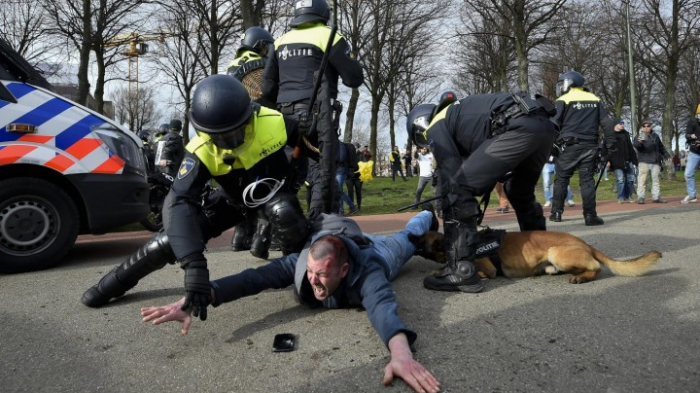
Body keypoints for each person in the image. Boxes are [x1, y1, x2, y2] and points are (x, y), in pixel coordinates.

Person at [81, 76, 314, 320]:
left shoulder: (275, 122)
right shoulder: (199, 150)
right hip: (233, 202)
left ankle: (296, 271)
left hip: (274, 195)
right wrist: (193, 266)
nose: (229, 143)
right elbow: (178, 203)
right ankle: (110, 285)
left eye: (236, 132)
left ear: (251, 115)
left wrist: (312, 133)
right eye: (219, 137)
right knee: (167, 242)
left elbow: (319, 154)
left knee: (284, 212)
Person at [140, 210, 442, 393]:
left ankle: (428, 215)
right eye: (311, 272)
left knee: (407, 240)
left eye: (322, 275)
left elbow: (383, 308)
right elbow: (253, 279)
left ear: (344, 271)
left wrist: (401, 354)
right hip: (336, 242)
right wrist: (196, 298)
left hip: (377, 251)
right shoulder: (302, 264)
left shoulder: (369, 273)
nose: (313, 280)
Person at [407, 90, 558, 292]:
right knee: (518, 191)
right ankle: (543, 253)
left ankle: (462, 270)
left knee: (458, 188)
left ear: (419, 126)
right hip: (543, 126)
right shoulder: (458, 114)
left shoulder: (436, 125)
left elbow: (453, 174)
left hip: (515, 127)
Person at [261, 0, 363, 221]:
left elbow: (267, 88)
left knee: (286, 175)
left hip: (283, 120)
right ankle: (321, 225)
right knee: (322, 174)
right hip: (318, 118)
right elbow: (354, 78)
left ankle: (272, 230)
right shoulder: (329, 36)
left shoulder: (280, 41)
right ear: (323, 14)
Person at [227, 26, 281, 256]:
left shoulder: (230, 67)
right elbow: (268, 95)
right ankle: (272, 234)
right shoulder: (261, 65)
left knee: (240, 187)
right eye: (267, 47)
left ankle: (240, 237)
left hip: (232, 135)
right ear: (260, 46)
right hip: (256, 130)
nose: (269, 51)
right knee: (268, 182)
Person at [549, 70, 618, 226]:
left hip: (567, 147)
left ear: (569, 83)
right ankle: (590, 216)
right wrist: (610, 145)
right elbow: (606, 123)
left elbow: (554, 124)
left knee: (561, 179)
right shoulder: (595, 99)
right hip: (590, 146)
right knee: (587, 181)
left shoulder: (563, 99)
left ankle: (557, 213)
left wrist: (551, 146)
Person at [634, 121, 671, 204]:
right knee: (642, 180)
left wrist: (667, 156)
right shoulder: (638, 136)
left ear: (650, 127)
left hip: (655, 161)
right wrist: (639, 142)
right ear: (642, 128)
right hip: (644, 161)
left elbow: (661, 147)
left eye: (648, 126)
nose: (646, 127)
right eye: (644, 126)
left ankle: (656, 197)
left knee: (656, 180)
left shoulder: (655, 136)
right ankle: (641, 197)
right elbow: (636, 145)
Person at [608, 118, 638, 204]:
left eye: (623, 123)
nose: (622, 125)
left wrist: (635, 160)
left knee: (630, 179)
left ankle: (628, 196)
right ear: (616, 124)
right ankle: (620, 197)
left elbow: (630, 147)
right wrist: (607, 160)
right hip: (617, 161)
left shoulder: (626, 134)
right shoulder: (610, 135)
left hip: (628, 160)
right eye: (621, 123)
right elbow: (607, 149)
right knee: (620, 180)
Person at [681, 104, 700, 203]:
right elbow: (687, 135)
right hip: (695, 152)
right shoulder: (692, 121)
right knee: (688, 174)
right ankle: (692, 195)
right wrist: (690, 136)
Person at [336, 141, 359, 216]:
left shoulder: (340, 145)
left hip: (340, 170)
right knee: (338, 190)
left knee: (338, 190)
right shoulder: (331, 144)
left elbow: (342, 157)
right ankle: (351, 207)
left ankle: (341, 210)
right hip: (335, 170)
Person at [345, 142, 364, 211]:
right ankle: (351, 206)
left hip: (358, 177)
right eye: (353, 147)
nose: (354, 149)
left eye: (355, 147)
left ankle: (359, 206)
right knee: (350, 191)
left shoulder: (361, 155)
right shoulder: (347, 155)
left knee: (358, 191)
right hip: (349, 176)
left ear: (358, 148)